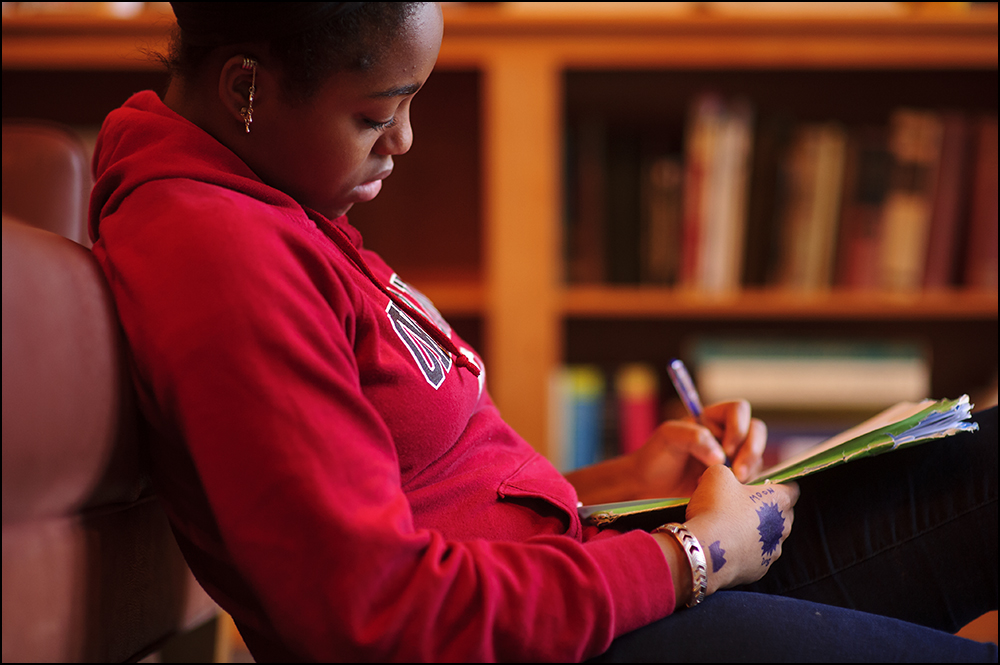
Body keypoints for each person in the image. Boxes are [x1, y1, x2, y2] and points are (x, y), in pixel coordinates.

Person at [87, 2, 997, 661]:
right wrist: (693, 555)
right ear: (246, 86)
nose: (401, 141)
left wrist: (608, 486)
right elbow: (371, 612)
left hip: (585, 583)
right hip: (574, 627)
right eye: (374, 113)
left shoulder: (268, 204)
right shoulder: (222, 254)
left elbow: (415, 507)